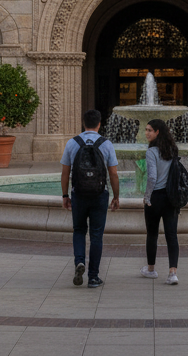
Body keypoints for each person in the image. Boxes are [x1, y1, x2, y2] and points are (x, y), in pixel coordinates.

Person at [60, 109, 120, 289]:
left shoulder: (72, 143)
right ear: (99, 124)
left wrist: (65, 195)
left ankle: (80, 262)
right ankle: (93, 277)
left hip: (79, 194)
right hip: (99, 194)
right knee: (96, 236)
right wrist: (116, 196)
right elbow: (114, 174)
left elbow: (65, 173)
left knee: (78, 230)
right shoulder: (106, 144)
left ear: (83, 123)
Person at [140, 118, 181, 285]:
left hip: (156, 197)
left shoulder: (151, 152)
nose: (147, 133)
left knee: (152, 234)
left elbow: (152, 177)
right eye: (146, 130)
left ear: (157, 132)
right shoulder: (172, 150)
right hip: (171, 197)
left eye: (150, 130)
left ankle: (151, 270)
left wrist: (146, 196)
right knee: (172, 235)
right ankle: (172, 273)